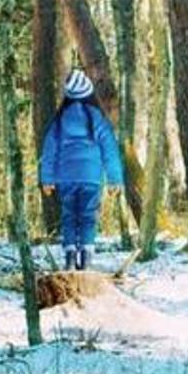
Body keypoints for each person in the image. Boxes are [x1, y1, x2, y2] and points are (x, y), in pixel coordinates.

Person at [39, 69, 124, 271]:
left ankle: (69, 257)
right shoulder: (96, 119)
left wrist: (46, 179)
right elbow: (109, 150)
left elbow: (49, 151)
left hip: (65, 178)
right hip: (91, 178)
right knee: (87, 217)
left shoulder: (59, 121)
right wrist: (115, 179)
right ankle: (86, 259)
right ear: (89, 93)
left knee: (69, 216)